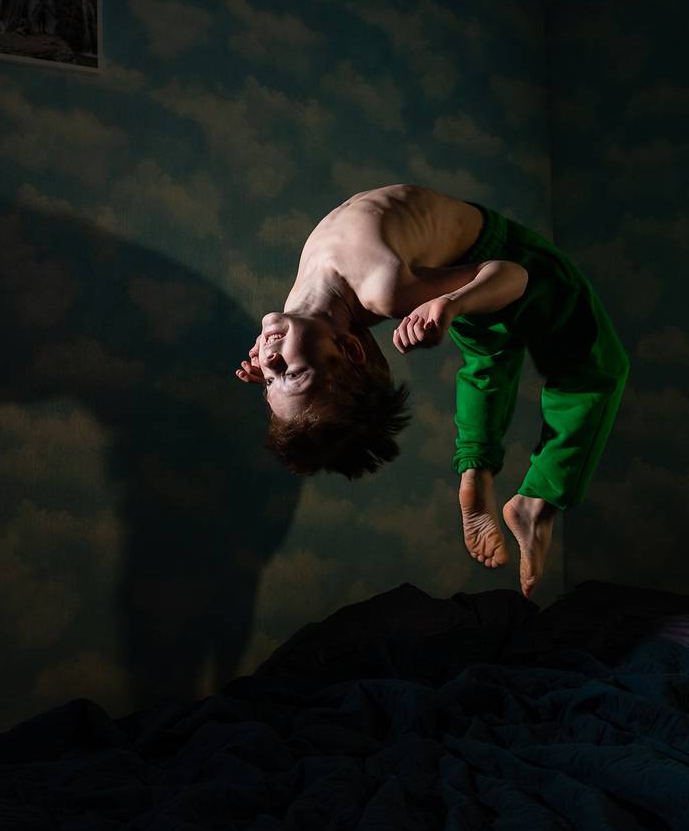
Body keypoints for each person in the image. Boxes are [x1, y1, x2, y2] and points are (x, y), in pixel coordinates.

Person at [234, 184, 628, 598]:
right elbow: (515, 274)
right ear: (348, 349)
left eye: (271, 378)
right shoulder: (382, 291)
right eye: (291, 373)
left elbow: (299, 361)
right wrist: (454, 303)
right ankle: (539, 500)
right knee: (597, 370)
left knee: (488, 364)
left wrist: (282, 376)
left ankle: (475, 467)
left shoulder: (300, 310)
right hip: (500, 261)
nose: (270, 361)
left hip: (454, 271)